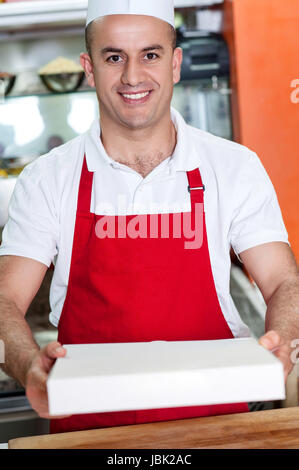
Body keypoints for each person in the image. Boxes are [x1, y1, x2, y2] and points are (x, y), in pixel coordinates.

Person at [0, 0, 299, 434]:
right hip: (91, 431)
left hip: (217, 425)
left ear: (175, 63)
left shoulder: (234, 167)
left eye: (151, 55)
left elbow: (283, 282)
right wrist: (29, 367)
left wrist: (284, 341)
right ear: (89, 67)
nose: (133, 76)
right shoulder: (48, 179)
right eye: (114, 57)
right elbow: (5, 300)